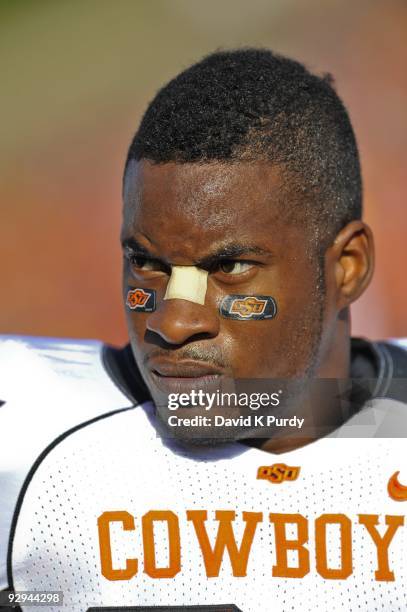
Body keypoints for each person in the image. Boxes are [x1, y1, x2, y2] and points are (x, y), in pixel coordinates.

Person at [1, 48, 407, 612]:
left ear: (346, 268)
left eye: (230, 267)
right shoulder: (23, 432)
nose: (173, 320)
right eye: (147, 263)